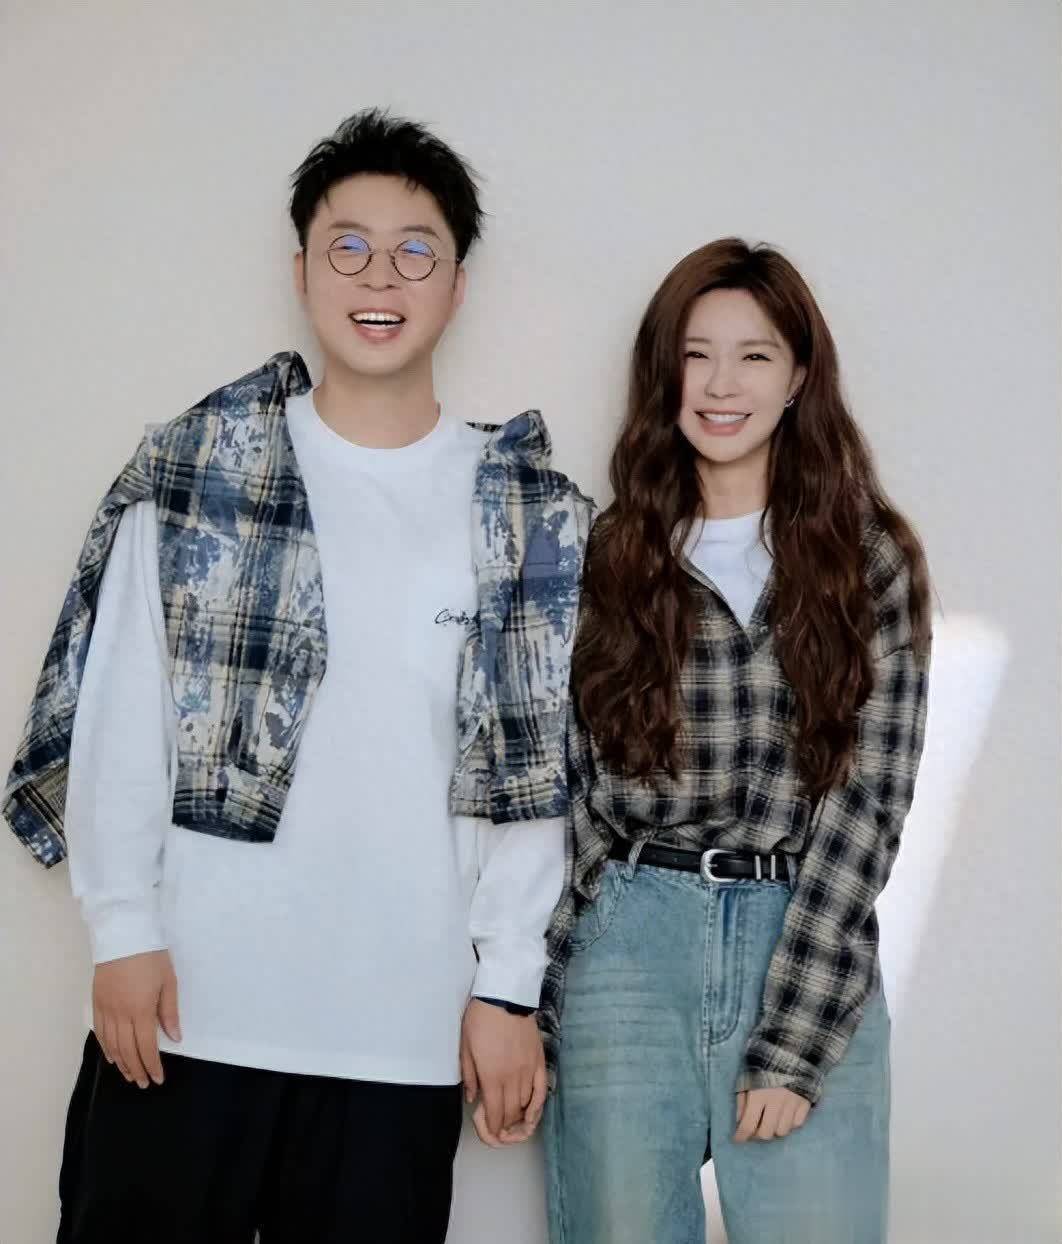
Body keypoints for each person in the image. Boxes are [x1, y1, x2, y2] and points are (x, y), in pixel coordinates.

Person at [4, 108, 592, 1244]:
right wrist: (121, 929)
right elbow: (124, 712)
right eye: (348, 246)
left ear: (457, 285)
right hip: (187, 1010)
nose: (381, 277)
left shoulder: (526, 511)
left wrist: (508, 986)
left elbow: (533, 775)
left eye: (415, 250)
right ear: (302, 271)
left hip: (400, 1033)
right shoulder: (200, 473)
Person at [538, 239, 931, 1244]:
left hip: (804, 931)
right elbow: (565, 787)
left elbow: (870, 802)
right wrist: (545, 989)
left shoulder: (866, 558)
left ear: (799, 376)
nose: (721, 385)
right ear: (662, 372)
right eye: (696, 354)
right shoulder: (605, 553)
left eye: (754, 356)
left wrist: (795, 1034)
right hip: (631, 941)